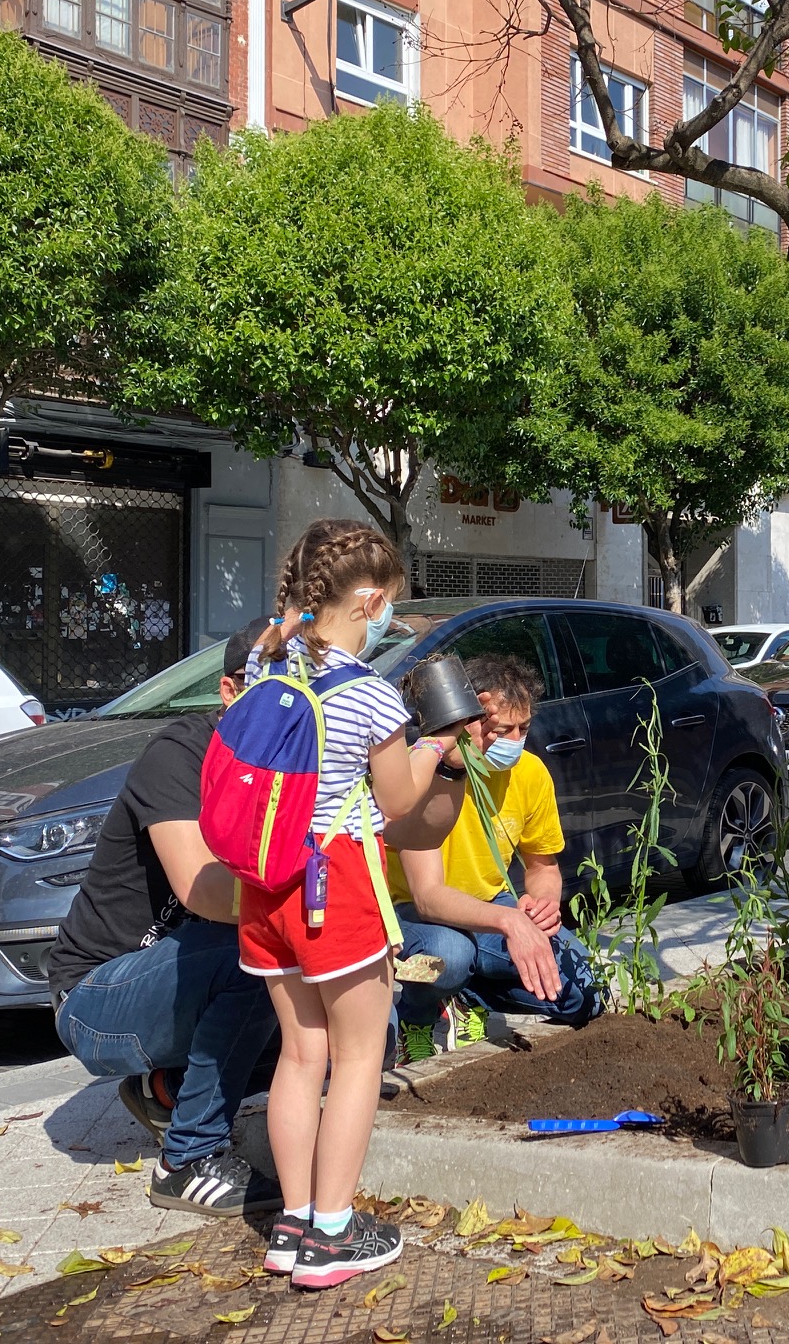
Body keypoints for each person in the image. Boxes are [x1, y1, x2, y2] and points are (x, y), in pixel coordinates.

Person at [239, 520, 472, 1290]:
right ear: (370, 601)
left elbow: (280, 637)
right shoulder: (369, 694)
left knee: (299, 1054)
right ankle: (333, 1235)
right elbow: (399, 801)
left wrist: (294, 620)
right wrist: (434, 746)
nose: (389, 619)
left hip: (266, 880)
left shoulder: (265, 665)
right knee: (359, 1057)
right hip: (333, 880)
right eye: (389, 605)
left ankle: (293, 1224)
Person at [48, 617, 281, 1218]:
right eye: (272, 684)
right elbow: (202, 889)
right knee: (265, 956)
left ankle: (167, 1092)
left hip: (181, 977)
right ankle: (188, 1161)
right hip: (96, 994)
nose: (289, 702)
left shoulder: (286, 767)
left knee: (349, 1026)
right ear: (230, 690)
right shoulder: (182, 753)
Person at [386, 654, 601, 1059]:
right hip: (413, 913)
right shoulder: (424, 768)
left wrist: (543, 904)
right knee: (450, 957)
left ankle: (468, 997)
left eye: (524, 728)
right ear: (467, 721)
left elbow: (542, 865)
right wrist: (510, 922)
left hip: (489, 903)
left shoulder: (530, 773)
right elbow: (428, 898)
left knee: (585, 992)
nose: (515, 740)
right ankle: (416, 1015)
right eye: (502, 730)